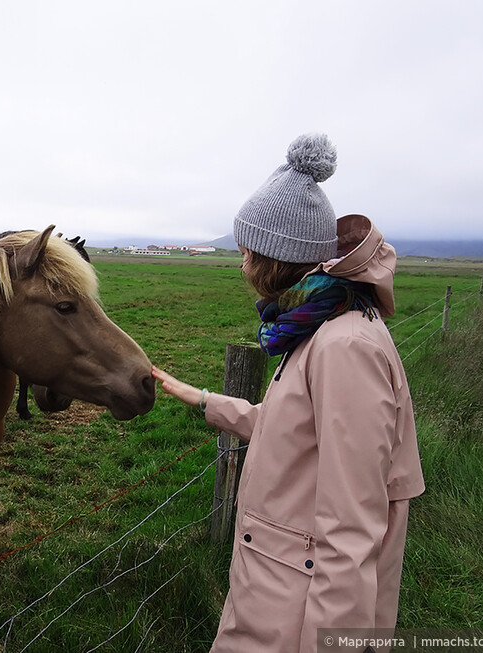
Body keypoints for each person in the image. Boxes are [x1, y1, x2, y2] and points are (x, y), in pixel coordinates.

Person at [152, 133, 425, 653]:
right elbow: (292, 431)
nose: (241, 262)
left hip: (293, 615)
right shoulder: (321, 326)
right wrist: (201, 398)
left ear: (274, 256)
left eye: (247, 249)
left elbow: (351, 533)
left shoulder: (343, 347)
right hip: (276, 596)